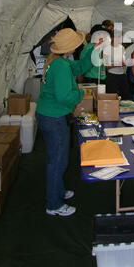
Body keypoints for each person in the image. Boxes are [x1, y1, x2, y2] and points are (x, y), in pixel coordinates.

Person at [36, 28, 102, 217]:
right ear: (70, 47)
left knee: (55, 158)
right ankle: (54, 204)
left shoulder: (59, 61)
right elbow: (65, 97)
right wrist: (83, 92)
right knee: (58, 161)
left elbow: (80, 67)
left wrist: (93, 50)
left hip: (48, 115)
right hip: (54, 118)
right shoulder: (61, 66)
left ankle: (57, 190)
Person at [104, 31, 131, 100]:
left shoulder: (122, 47)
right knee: (112, 96)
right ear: (112, 38)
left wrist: (126, 62)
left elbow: (124, 60)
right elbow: (106, 66)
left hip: (122, 75)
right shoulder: (107, 49)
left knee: (125, 96)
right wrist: (118, 64)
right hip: (112, 76)